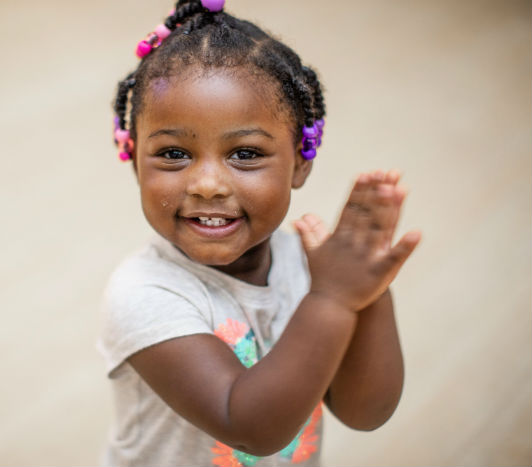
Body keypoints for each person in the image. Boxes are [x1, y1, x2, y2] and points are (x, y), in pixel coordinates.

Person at [97, 1, 421, 465]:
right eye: (172, 153)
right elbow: (249, 426)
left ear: (301, 161)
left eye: (245, 154)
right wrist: (332, 301)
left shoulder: (310, 269)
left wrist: (366, 295)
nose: (207, 184)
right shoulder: (144, 294)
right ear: (134, 161)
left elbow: (366, 411)